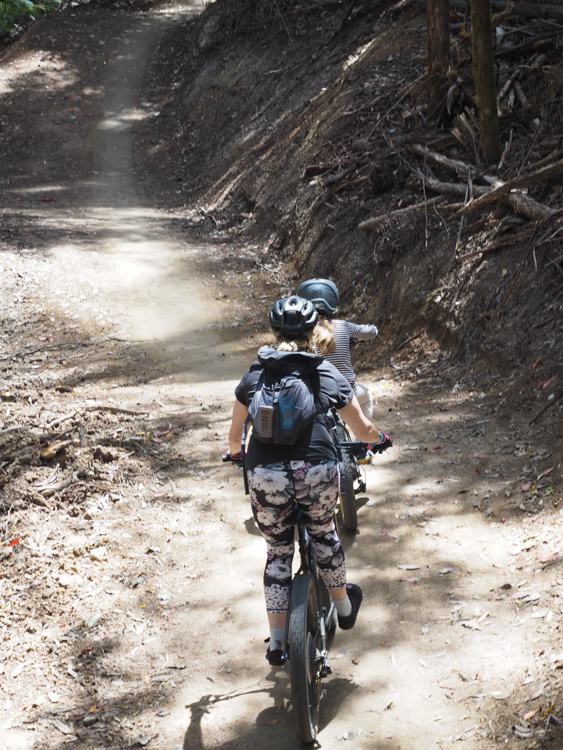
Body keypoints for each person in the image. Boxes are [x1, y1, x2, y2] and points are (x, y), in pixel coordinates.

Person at [226, 296, 391, 666]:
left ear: (274, 332)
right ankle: (344, 607)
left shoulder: (256, 373)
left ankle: (277, 643)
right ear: (314, 331)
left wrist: (237, 455)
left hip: (266, 474)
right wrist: (377, 439)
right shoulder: (323, 371)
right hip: (314, 469)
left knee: (278, 553)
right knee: (323, 533)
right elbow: (361, 427)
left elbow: (235, 435)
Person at [296, 278, 378, 421]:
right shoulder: (344, 326)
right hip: (346, 394)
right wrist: (370, 329)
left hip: (314, 396)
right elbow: (371, 332)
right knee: (366, 397)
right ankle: (365, 442)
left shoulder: (302, 332)